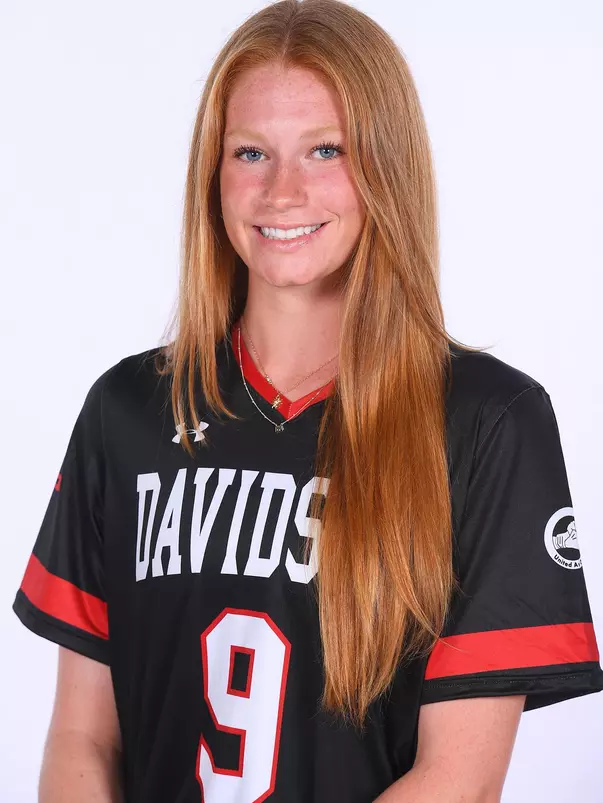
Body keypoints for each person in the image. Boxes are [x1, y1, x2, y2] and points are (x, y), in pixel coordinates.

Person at [12, 1, 603, 801]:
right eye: (250, 152)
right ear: (212, 174)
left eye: (326, 150)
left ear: (384, 167)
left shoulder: (487, 421)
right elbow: (82, 737)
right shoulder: (126, 411)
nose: (282, 191)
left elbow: (455, 778)